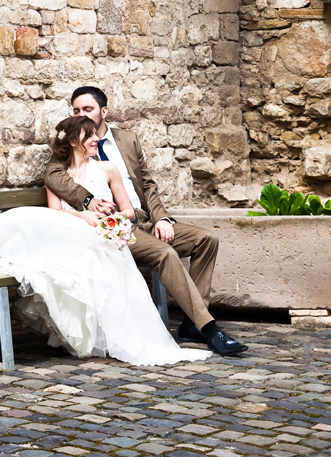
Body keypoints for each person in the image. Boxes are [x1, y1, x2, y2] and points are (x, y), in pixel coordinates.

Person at [0, 115, 208, 367]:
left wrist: (109, 220)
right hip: (68, 229)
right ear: (71, 142)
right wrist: (84, 217)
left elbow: (127, 210)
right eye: (89, 136)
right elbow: (55, 213)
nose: (95, 140)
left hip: (95, 236)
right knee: (23, 217)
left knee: (42, 254)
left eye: (95, 135)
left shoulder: (107, 168)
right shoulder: (58, 175)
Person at [44, 85, 247, 357]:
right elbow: (55, 179)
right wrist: (89, 203)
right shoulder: (68, 153)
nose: (83, 114)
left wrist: (161, 217)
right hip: (114, 228)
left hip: (142, 218)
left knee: (206, 240)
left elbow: (148, 184)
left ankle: (191, 323)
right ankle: (208, 328)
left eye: (88, 109)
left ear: (104, 111)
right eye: (77, 111)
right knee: (164, 253)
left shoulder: (127, 140)